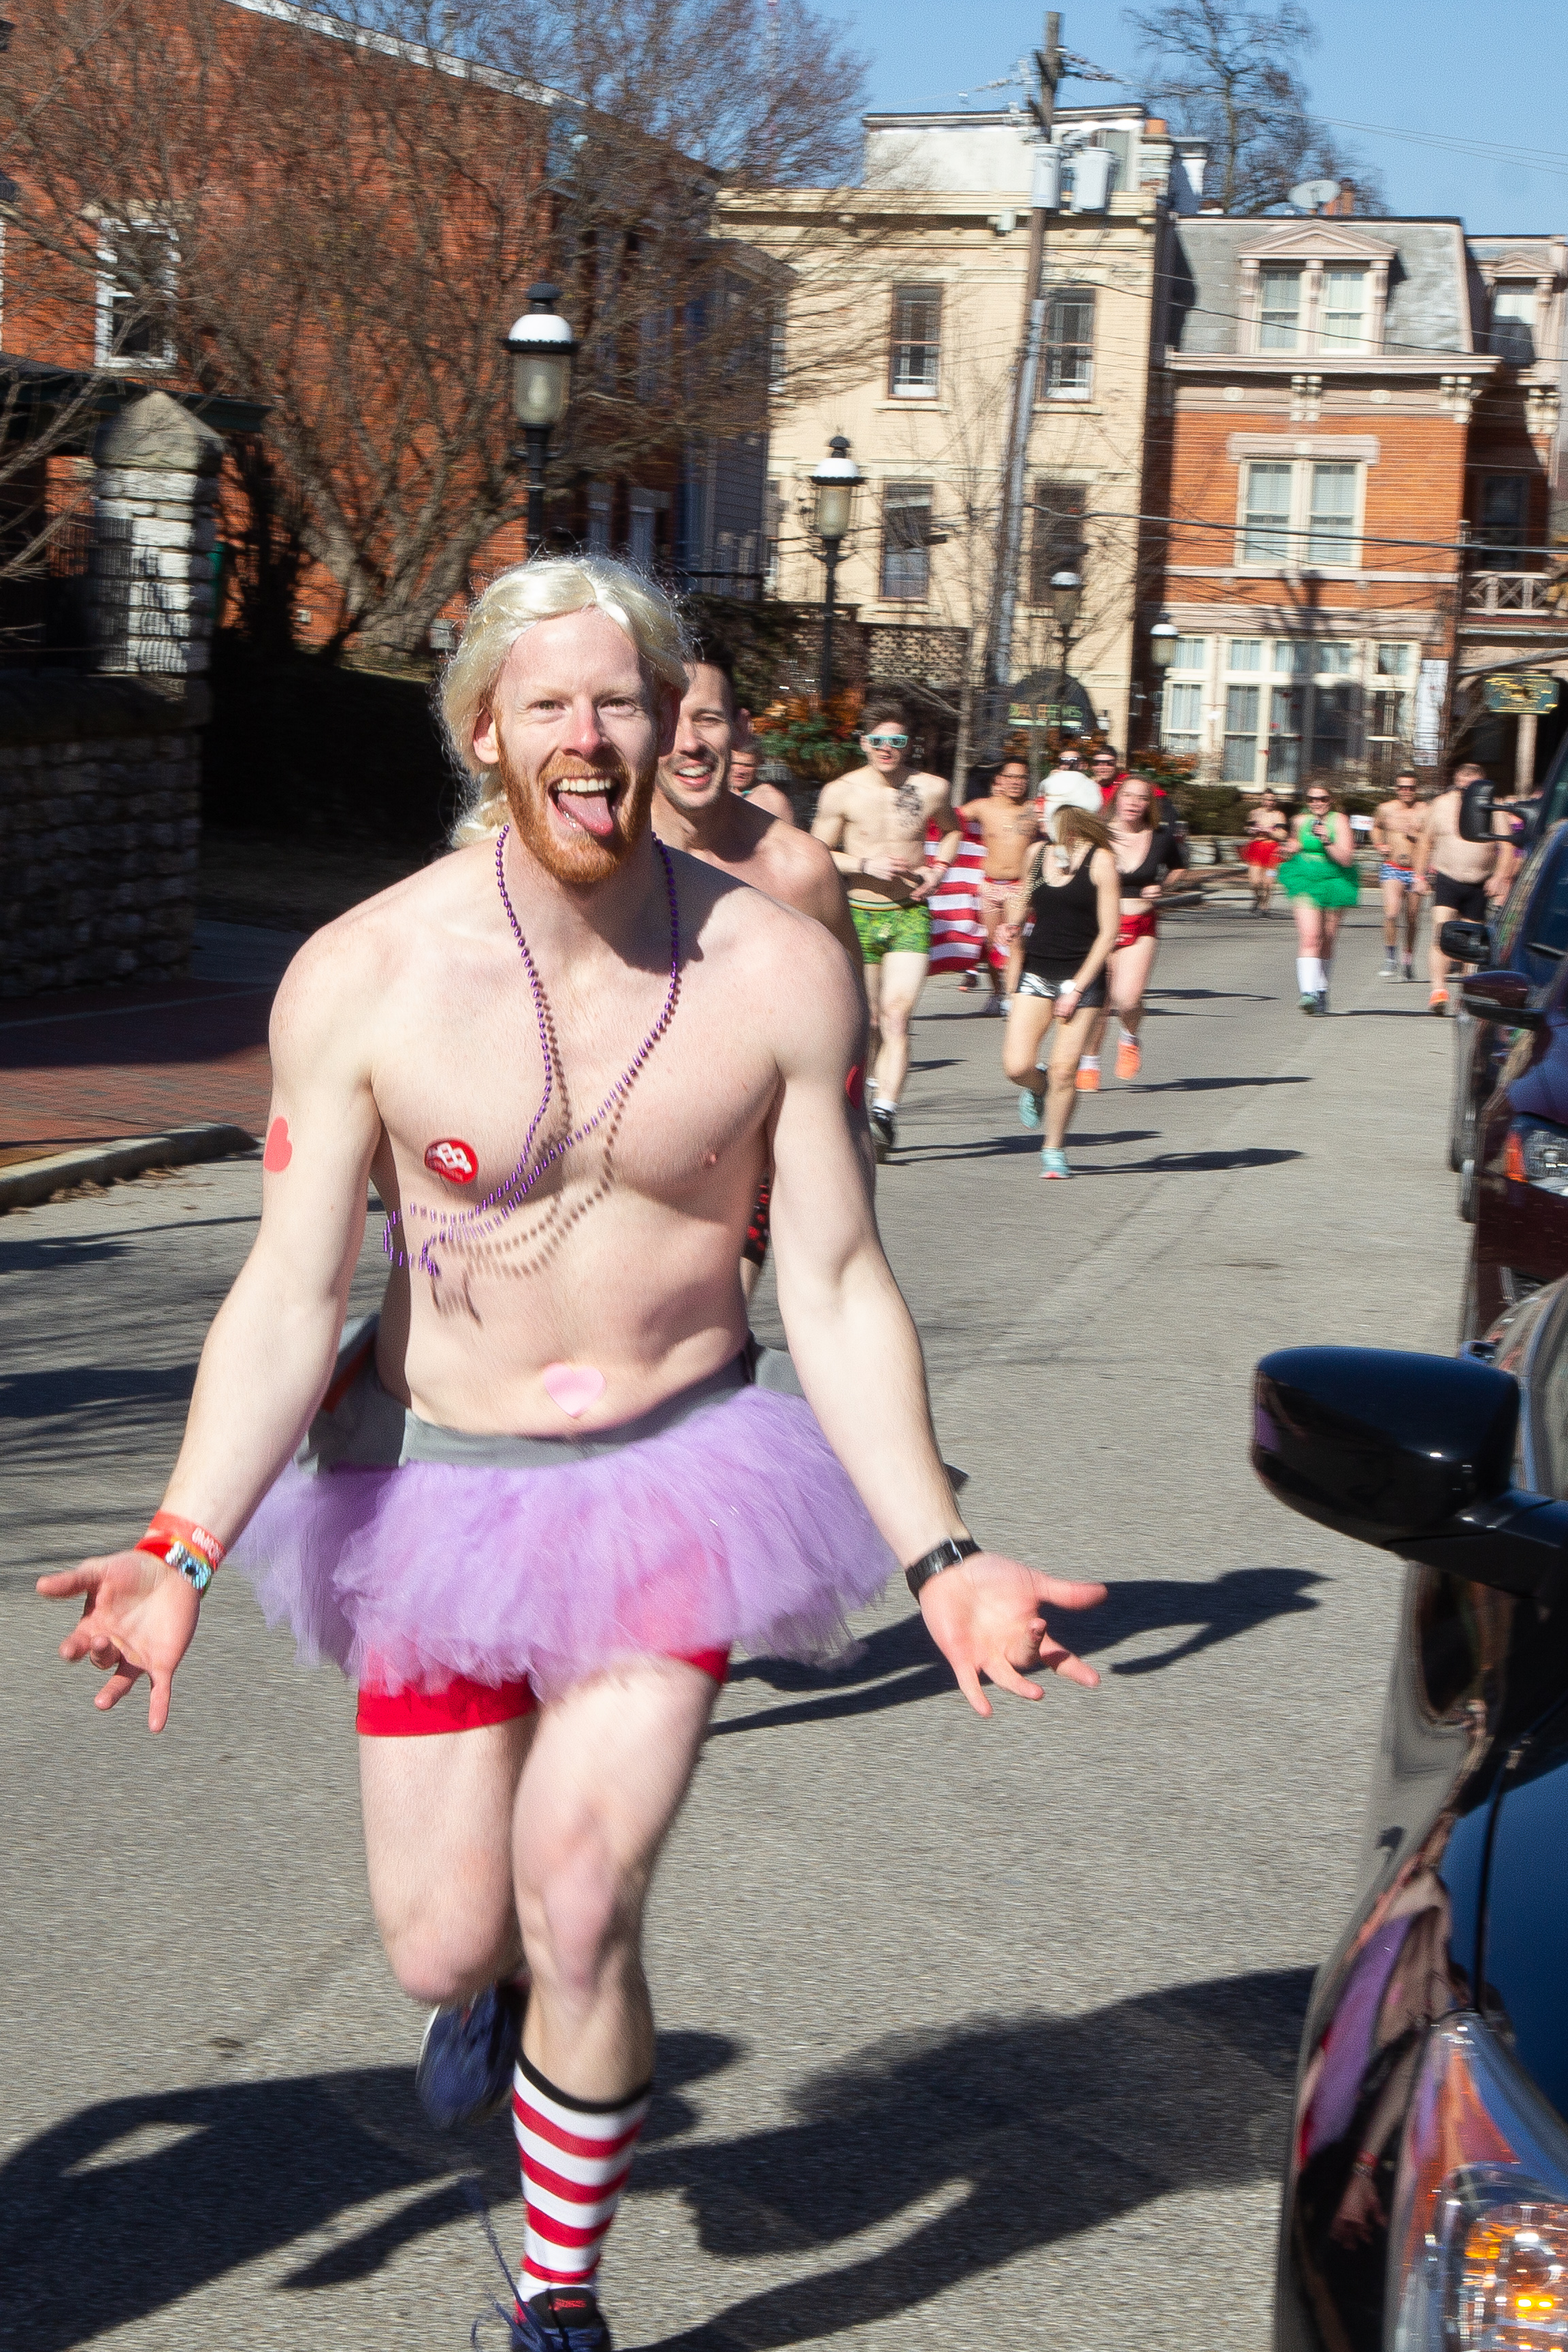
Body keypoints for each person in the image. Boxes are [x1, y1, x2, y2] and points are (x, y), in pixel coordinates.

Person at [37, 555, 1105, 2352]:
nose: (593, 737)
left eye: (623, 699)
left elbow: (834, 1280)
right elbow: (293, 1294)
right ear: (485, 733)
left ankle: (558, 2295)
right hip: (433, 1486)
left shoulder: (777, 967)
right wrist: (180, 1543)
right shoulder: (363, 977)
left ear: (670, 722)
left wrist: (941, 1556)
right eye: (552, 705)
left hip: (675, 1474)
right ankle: (505, 1987)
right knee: (448, 1945)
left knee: (587, 1890)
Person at [651, 653, 860, 1298]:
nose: (690, 743)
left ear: (740, 730)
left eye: (708, 719)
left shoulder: (799, 871)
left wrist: (847, 1149)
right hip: (621, 1160)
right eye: (673, 721)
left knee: (714, 1335)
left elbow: (849, 1007)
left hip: (748, 1166)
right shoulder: (602, 858)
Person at [811, 700, 964, 1159]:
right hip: (857, 913)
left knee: (898, 1017)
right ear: (864, 743)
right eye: (878, 741)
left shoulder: (931, 788)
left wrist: (938, 870)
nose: (887, 749)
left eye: (896, 741)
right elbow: (818, 851)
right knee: (871, 1021)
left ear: (907, 745)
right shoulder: (841, 792)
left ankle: (885, 1113)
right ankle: (868, 1094)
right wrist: (864, 863)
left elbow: (953, 831)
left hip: (909, 913)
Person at [1000, 805, 1121, 1178]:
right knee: (1017, 1065)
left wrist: (1078, 987)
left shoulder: (1100, 861)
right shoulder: (1038, 854)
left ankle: (1054, 1148)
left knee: (1065, 1069)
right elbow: (1025, 899)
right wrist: (1012, 926)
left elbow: (1108, 932)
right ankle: (1037, 1087)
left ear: (1066, 816)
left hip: (1082, 975)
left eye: (1048, 814)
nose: (1041, 822)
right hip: (1038, 969)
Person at [1076, 774, 1190, 1088]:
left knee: (1127, 999)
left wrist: (1163, 887)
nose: (1134, 803)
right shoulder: (1097, 835)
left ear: (1149, 804)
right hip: (1099, 925)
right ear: (1117, 798)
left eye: (1142, 798)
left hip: (1140, 924)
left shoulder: (1161, 837)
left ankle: (1129, 1037)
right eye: (1129, 796)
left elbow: (1178, 868)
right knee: (1098, 1000)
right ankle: (1089, 1062)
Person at [1420, 760, 1514, 1015]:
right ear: (1456, 782)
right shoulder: (1441, 804)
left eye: (1472, 787)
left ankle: (1468, 994)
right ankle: (1438, 991)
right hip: (1448, 877)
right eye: (1462, 786)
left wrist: (1500, 877)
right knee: (1441, 934)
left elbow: (1506, 846)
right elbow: (1425, 841)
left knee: (1473, 942)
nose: (1466, 792)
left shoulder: (1495, 806)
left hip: (1480, 881)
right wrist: (1419, 875)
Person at [959, 753, 1041, 1014]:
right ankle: (997, 993)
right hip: (990, 886)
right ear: (1000, 780)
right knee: (992, 943)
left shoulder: (1035, 809)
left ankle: (1012, 996)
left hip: (1020, 887)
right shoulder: (982, 806)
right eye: (1011, 777)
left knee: (1015, 940)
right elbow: (949, 821)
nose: (1017, 782)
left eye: (1022, 777)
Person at [1279, 783, 1359, 1015]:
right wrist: (1288, 849)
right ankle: (1308, 993)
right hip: (1305, 879)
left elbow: (1346, 859)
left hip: (1335, 880)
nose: (1316, 803)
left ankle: (1322, 989)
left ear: (1330, 800)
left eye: (1322, 799)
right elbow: (1296, 842)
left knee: (1328, 938)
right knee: (1310, 936)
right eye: (1312, 799)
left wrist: (1327, 840)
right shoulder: (1300, 821)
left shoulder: (1340, 821)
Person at [1369, 771, 1426, 981]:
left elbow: (1432, 839)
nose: (1406, 791)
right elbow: (1375, 828)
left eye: (1410, 787)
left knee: (1412, 918)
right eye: (1402, 787)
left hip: (1416, 869)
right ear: (1396, 788)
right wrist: (1379, 845)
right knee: (1392, 913)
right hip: (1392, 866)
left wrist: (1417, 835)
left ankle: (1408, 959)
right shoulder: (1386, 809)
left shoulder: (1425, 811)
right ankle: (1390, 958)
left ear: (1416, 789)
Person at [1243, 787, 1291, 916]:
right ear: (1262, 800)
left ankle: (1265, 907)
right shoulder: (1254, 813)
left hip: (1273, 851)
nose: (1269, 802)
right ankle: (1257, 899)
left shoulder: (1279, 815)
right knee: (1255, 882)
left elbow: (1283, 835)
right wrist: (1252, 830)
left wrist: (1271, 831)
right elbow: (1247, 829)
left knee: (1268, 883)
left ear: (1275, 801)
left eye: (1272, 800)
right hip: (1256, 849)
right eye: (1266, 799)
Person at [727, 740, 795, 825]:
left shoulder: (773, 800)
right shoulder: (717, 794)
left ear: (758, 764)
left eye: (748, 765)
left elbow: (788, 836)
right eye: (735, 763)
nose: (740, 771)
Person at [1039, 743, 1101, 834]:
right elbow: (1041, 815)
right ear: (1059, 765)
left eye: (1074, 761)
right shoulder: (1047, 785)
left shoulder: (1092, 787)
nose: (1069, 765)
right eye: (1064, 761)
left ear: (1082, 765)